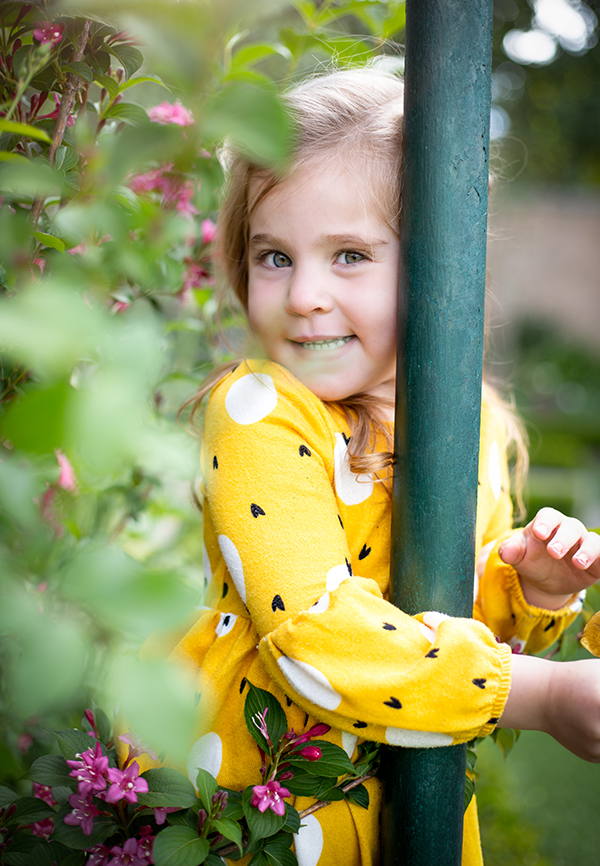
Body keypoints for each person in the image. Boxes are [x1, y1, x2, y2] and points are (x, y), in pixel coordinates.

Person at [131, 69, 600, 866]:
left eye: (349, 254)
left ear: (434, 266)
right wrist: (546, 695)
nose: (305, 293)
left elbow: (446, 622)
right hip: (261, 815)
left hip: (411, 801)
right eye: (274, 256)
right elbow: (311, 631)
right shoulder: (259, 411)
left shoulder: (470, 423)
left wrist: (532, 589)